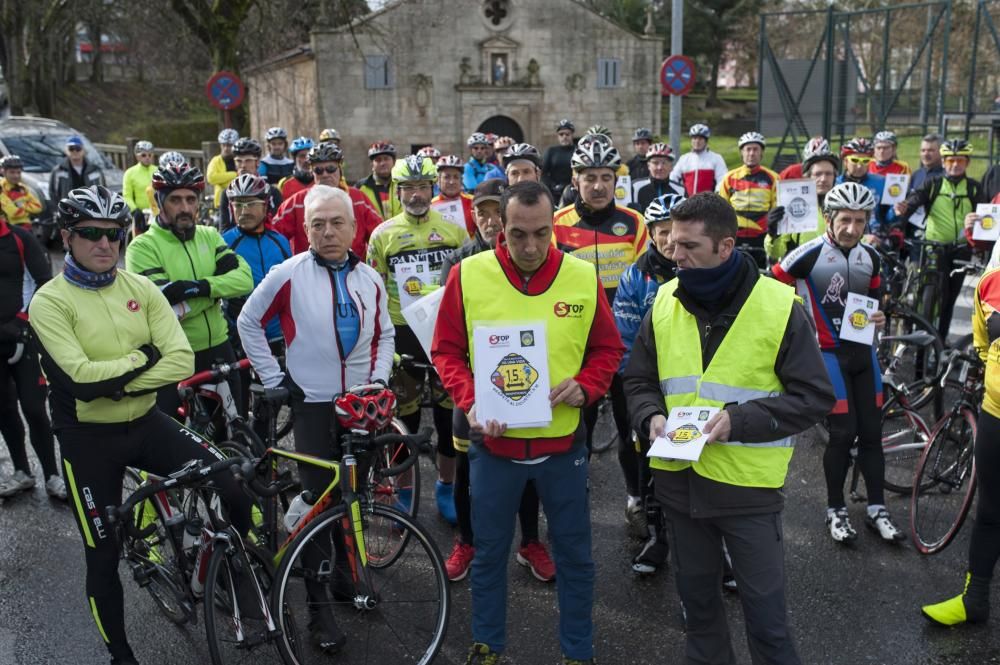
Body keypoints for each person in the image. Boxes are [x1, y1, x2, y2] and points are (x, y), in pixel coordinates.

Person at [29, 185, 252, 665]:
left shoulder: (141, 288)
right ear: (67, 237)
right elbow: (80, 381)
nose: (105, 244)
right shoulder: (51, 301)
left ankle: (231, 574)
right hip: (88, 440)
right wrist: (141, 356)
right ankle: (121, 654)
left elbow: (179, 360)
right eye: (90, 234)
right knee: (103, 554)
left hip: (147, 420)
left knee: (233, 485)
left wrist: (121, 380)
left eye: (114, 234)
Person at [623, 192, 833, 665]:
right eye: (672, 244)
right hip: (678, 487)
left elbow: (814, 397)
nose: (675, 256)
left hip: (747, 493)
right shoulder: (662, 302)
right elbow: (637, 378)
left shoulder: (779, 306)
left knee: (768, 626)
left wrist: (739, 420)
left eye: (689, 247)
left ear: (725, 247)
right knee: (698, 617)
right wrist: (648, 414)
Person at [432, 180, 623, 665]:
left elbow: (608, 348)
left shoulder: (581, 276)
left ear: (554, 226)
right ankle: (487, 645)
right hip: (495, 451)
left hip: (562, 450)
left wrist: (587, 384)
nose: (531, 247)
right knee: (490, 555)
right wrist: (471, 400)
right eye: (518, 235)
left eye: (541, 234)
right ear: (501, 227)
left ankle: (578, 652)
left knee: (576, 559)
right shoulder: (469, 273)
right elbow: (447, 349)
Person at [237, 184, 394, 652]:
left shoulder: (371, 279)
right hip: (312, 404)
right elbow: (248, 321)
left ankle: (347, 577)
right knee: (316, 502)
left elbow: (384, 335)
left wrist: (379, 380)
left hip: (362, 405)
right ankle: (318, 608)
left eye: (336, 222)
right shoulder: (289, 273)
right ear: (305, 229)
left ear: (353, 226)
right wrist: (273, 377)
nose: (328, 231)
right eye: (318, 224)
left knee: (357, 494)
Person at [771, 182, 905, 544]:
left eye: (860, 221)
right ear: (830, 218)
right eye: (845, 219)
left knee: (874, 434)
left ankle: (877, 508)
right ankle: (836, 509)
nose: (852, 228)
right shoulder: (808, 254)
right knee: (844, 433)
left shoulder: (871, 257)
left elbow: (875, 300)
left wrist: (879, 315)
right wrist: (793, 327)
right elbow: (769, 287)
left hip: (863, 356)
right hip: (827, 355)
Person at [438, 178, 556, 584]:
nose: (490, 220)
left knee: (527, 469)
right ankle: (467, 541)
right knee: (467, 471)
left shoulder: (547, 261)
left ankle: (529, 542)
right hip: (470, 396)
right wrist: (470, 398)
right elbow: (443, 340)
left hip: (525, 389)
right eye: (484, 211)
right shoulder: (461, 264)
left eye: (495, 211)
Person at [366, 155, 468, 523]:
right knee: (403, 420)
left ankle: (446, 485)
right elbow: (374, 292)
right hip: (402, 333)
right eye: (407, 188)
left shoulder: (455, 230)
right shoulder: (383, 235)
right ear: (397, 191)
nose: (415, 195)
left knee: (447, 418)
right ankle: (404, 489)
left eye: (422, 186)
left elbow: (467, 283)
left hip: (442, 332)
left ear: (433, 187)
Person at [125, 164, 253, 420]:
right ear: (160, 202)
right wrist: (217, 290)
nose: (184, 208)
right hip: (173, 354)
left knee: (233, 427)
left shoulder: (210, 235)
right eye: (175, 199)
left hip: (219, 345)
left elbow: (245, 279)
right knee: (178, 438)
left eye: (190, 199)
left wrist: (198, 289)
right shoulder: (142, 247)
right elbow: (164, 309)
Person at [553, 141, 647, 462]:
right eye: (589, 177)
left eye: (606, 177)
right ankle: (579, 487)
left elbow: (647, 284)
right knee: (582, 424)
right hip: (578, 339)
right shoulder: (556, 224)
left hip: (624, 339)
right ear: (575, 181)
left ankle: (635, 498)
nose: (598, 186)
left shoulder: (635, 222)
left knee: (628, 423)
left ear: (616, 181)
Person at [922, 263, 1000, 626]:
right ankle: (975, 600)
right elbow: (984, 345)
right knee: (989, 511)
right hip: (995, 413)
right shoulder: (991, 282)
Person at [611, 193, 683, 574]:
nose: (672, 240)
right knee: (648, 458)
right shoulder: (635, 275)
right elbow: (625, 339)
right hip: (649, 382)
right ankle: (654, 530)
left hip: (692, 385)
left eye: (678, 231)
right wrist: (636, 388)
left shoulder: (700, 266)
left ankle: (710, 547)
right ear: (651, 235)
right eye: (663, 232)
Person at [893, 139, 987, 339]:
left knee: (950, 298)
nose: (955, 164)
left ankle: (941, 341)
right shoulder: (933, 184)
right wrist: (903, 211)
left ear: (967, 163)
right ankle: (916, 332)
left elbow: (986, 218)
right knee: (925, 293)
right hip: (934, 247)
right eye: (950, 160)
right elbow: (915, 199)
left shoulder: (974, 189)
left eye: (960, 160)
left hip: (961, 249)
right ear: (943, 162)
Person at [0, 204, 62, 499]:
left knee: (35, 409)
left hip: (23, 339)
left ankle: (52, 475)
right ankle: (22, 471)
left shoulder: (20, 239)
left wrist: (22, 321)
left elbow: (44, 283)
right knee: (4, 410)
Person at [220, 173, 290, 392]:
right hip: (238, 332)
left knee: (273, 397)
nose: (244, 210)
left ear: (266, 205)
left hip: (277, 332)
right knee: (239, 394)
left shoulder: (279, 241)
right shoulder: (225, 242)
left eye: (251, 203)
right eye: (238, 204)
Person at [274, 142, 382, 258]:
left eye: (331, 169)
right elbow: (273, 237)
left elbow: (380, 235)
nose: (325, 174)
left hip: (353, 270)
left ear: (340, 169)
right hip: (310, 271)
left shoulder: (358, 198)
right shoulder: (296, 202)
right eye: (318, 170)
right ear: (312, 172)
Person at [765, 150, 843, 262]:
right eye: (818, 174)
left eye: (828, 174)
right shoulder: (791, 207)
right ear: (808, 177)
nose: (823, 179)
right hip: (801, 273)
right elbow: (776, 253)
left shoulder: (844, 207)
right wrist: (773, 234)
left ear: (835, 176)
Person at [716, 132, 779, 266]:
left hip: (761, 237)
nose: (751, 153)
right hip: (734, 236)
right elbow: (721, 209)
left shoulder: (773, 177)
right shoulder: (729, 178)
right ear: (742, 153)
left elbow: (776, 209)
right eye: (748, 149)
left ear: (762, 153)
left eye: (755, 149)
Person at [219, 138, 282, 231]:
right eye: (239, 161)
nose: (243, 165)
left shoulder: (272, 192)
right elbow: (224, 229)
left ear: (258, 162)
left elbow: (278, 226)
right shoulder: (227, 193)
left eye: (248, 160)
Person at [837, 138, 891, 231]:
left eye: (865, 161)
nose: (859, 165)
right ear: (845, 162)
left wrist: (896, 211)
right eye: (854, 160)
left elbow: (887, 218)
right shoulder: (835, 184)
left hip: (876, 236)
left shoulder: (881, 182)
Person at [671, 124, 727, 196]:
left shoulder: (716, 158)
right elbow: (673, 179)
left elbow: (722, 180)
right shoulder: (684, 159)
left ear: (706, 141)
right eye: (694, 138)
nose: (697, 141)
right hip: (687, 202)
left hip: (708, 202)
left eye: (700, 139)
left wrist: (716, 196)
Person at [49, 136, 105, 205]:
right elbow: (53, 193)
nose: (75, 151)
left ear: (83, 150)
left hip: (91, 210)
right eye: (71, 149)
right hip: (68, 210)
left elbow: (103, 192)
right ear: (66, 151)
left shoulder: (95, 170)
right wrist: (58, 210)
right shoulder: (58, 171)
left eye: (78, 148)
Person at [631, 143, 685, 213]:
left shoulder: (680, 190)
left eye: (664, 163)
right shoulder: (635, 187)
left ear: (671, 166)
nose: (660, 167)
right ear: (648, 165)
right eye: (655, 163)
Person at [431, 154, 476, 236]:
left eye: (456, 177)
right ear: (438, 180)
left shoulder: (473, 202)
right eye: (447, 177)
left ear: (461, 180)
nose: (452, 182)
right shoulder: (431, 205)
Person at [357, 141, 401, 220]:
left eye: (386, 159)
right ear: (372, 165)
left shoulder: (402, 184)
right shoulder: (361, 187)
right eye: (378, 160)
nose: (382, 163)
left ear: (394, 162)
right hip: (373, 232)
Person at [121, 141, 156, 231]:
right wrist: (135, 210)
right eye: (143, 155)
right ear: (137, 156)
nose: (147, 158)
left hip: (158, 214)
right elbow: (127, 196)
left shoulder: (158, 170)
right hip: (140, 214)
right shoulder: (130, 173)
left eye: (150, 155)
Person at [0, 155, 43, 228]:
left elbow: (38, 207)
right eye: (12, 172)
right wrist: (27, 211)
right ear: (3, 172)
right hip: (6, 229)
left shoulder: (22, 188)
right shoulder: (1, 188)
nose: (16, 176)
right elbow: (14, 213)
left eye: (18, 172)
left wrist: (21, 205)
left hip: (25, 227)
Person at [542, 119, 577, 202]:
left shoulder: (577, 151)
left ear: (572, 135)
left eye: (567, 134)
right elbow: (544, 172)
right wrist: (550, 187)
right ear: (558, 136)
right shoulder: (551, 151)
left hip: (573, 191)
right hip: (554, 192)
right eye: (561, 134)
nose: (564, 137)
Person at [206, 128, 239, 208]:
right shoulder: (216, 160)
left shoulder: (239, 160)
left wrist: (221, 181)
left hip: (238, 201)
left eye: (229, 145)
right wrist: (234, 174)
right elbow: (211, 178)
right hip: (220, 203)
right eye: (223, 145)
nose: (226, 148)